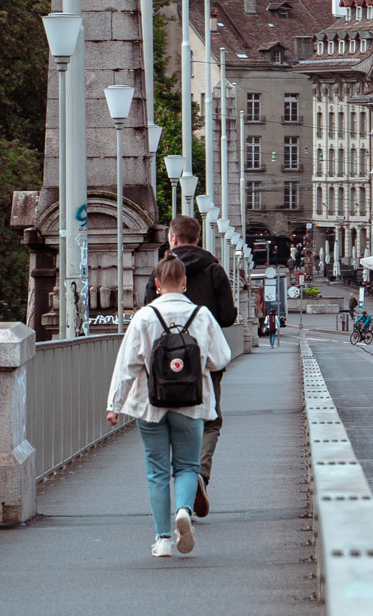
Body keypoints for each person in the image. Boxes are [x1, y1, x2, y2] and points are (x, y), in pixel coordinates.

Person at [107, 254, 233, 558]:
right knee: (188, 466)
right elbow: (221, 358)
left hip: (150, 406)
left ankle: (163, 539)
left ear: (158, 284)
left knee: (157, 471)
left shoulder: (144, 317)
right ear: (185, 283)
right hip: (191, 405)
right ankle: (184, 510)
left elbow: (127, 365)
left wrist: (114, 405)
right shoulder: (201, 316)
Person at [144, 216, 236, 519]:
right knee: (210, 421)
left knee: (166, 423)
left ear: (172, 238)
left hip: (164, 368)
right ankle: (198, 473)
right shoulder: (213, 270)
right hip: (204, 365)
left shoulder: (160, 272)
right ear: (199, 239)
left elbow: (148, 311)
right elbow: (228, 316)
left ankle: (177, 489)